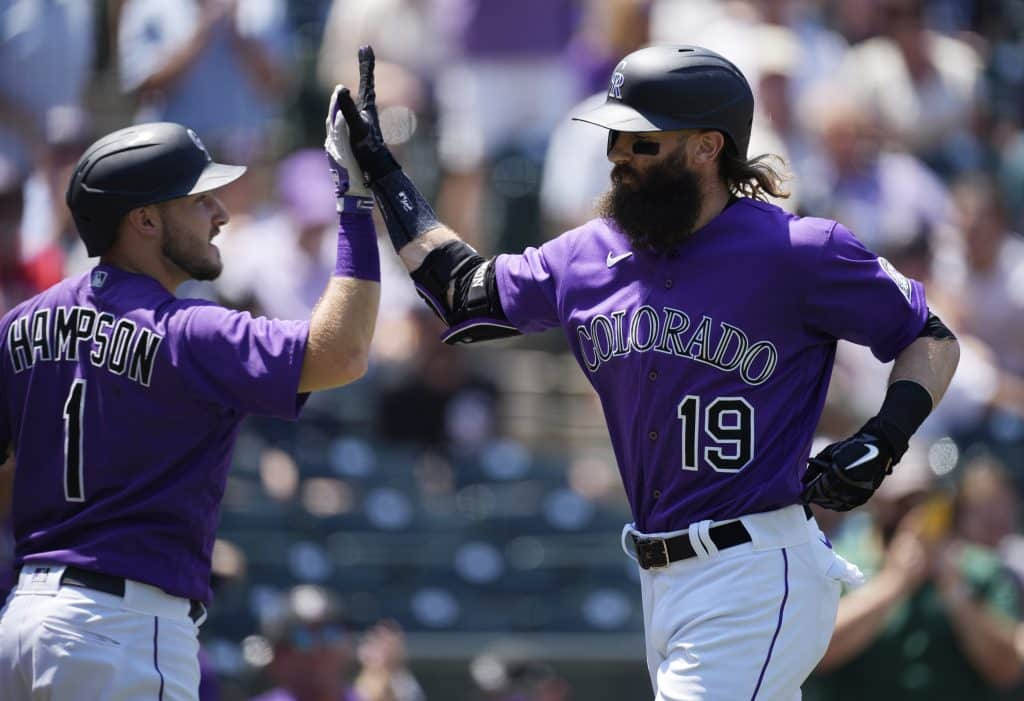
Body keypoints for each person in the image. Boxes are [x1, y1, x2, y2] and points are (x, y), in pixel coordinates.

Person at [335, 44, 961, 699]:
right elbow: (462, 292)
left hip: (752, 569)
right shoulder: (590, 253)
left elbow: (931, 336)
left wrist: (887, 434)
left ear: (706, 147)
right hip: (661, 578)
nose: (618, 156)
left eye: (642, 142)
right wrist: (381, 171)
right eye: (616, 138)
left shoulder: (798, 251)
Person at [0, 86, 381, 700]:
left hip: (21, 624)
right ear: (145, 220)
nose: (221, 215)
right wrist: (357, 207)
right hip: (119, 631)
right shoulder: (188, 330)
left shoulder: (20, 325)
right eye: (200, 199)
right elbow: (343, 352)